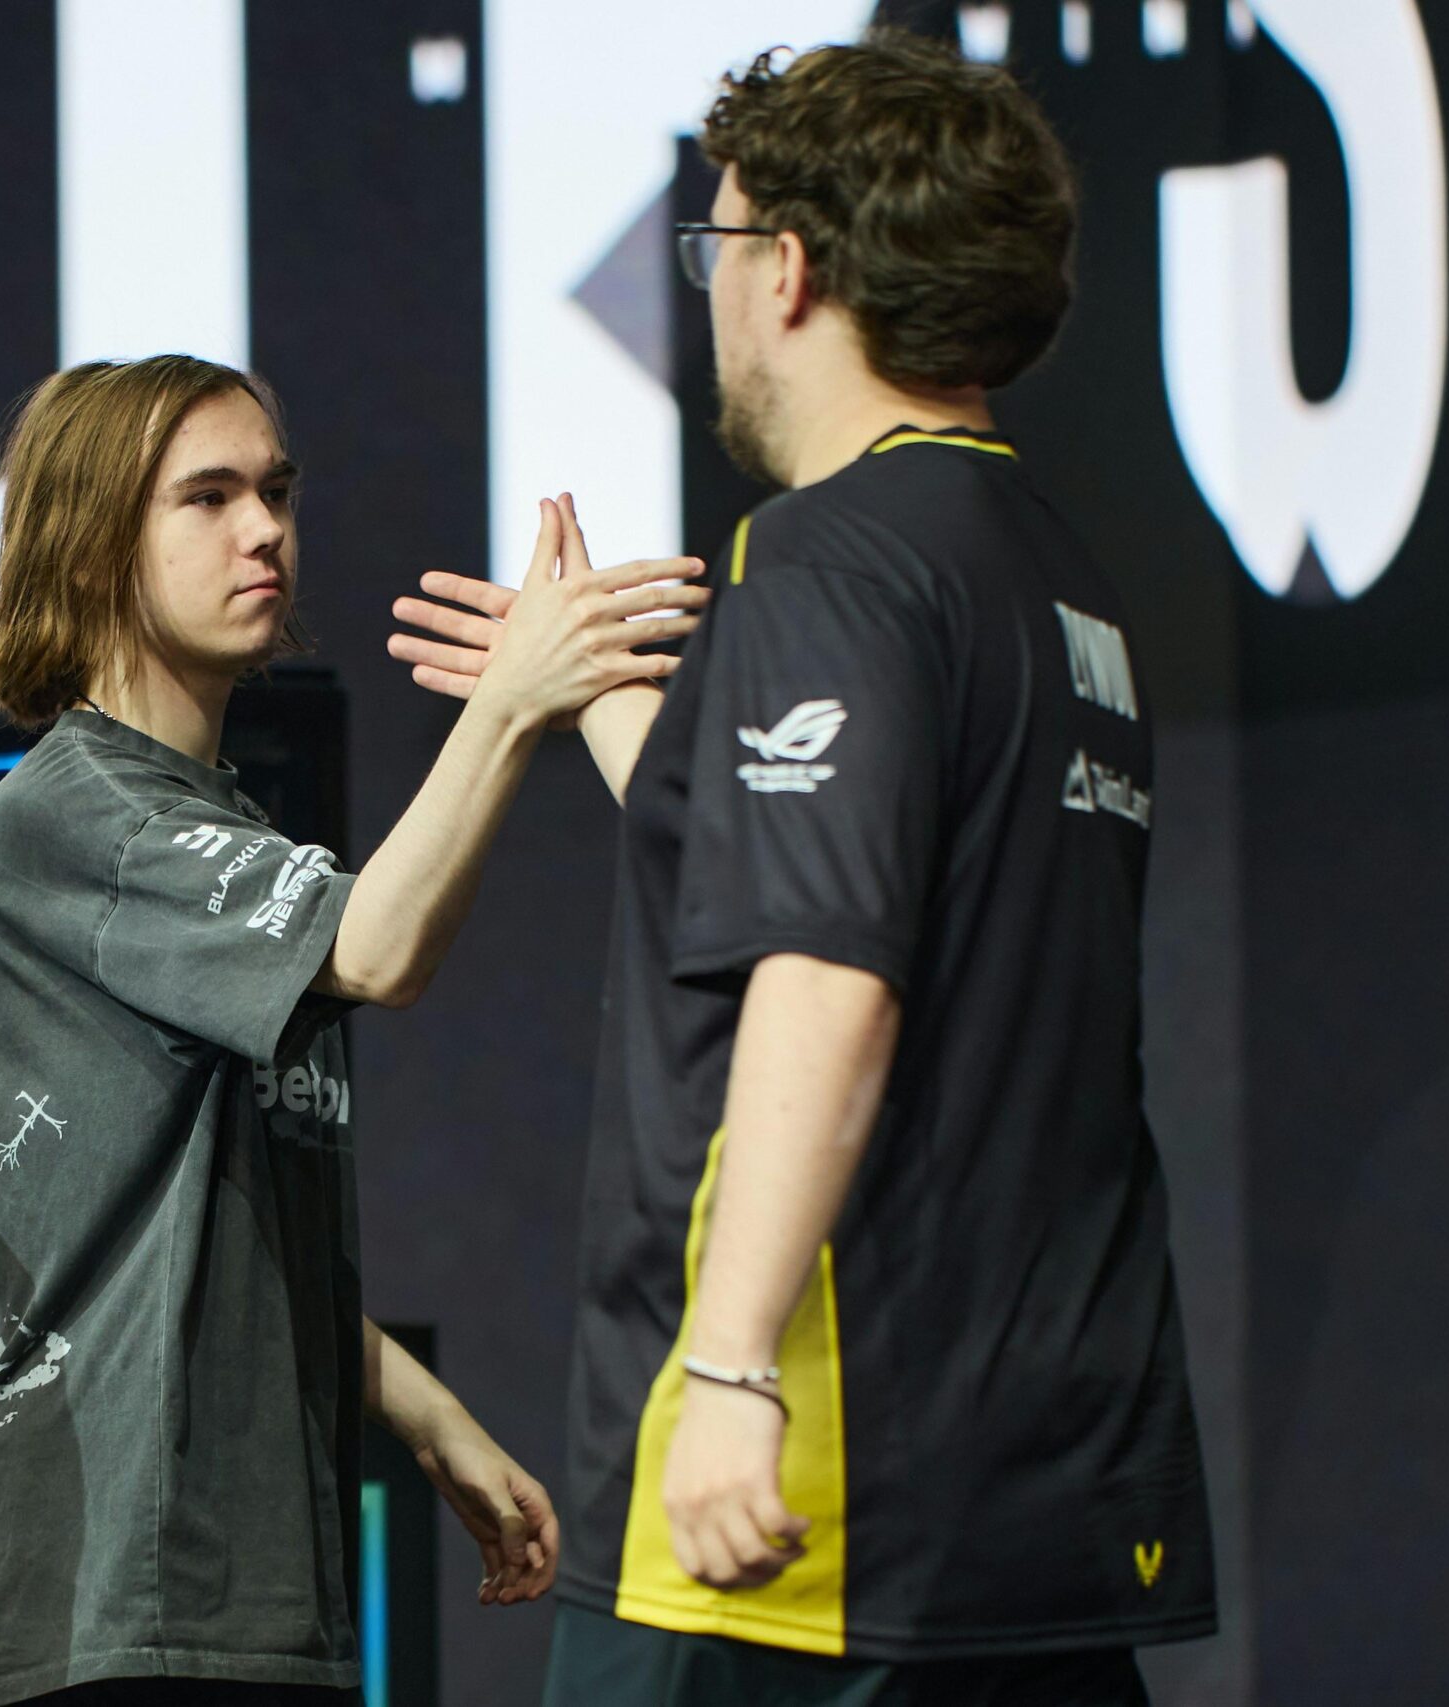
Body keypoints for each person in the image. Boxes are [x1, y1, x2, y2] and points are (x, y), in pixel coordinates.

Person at [388, 31, 1215, 1705]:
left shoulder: (830, 559)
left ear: (790, 269)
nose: (706, 295)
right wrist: (591, 697)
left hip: (810, 1520)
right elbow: (827, 859)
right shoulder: (1045, 572)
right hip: (1036, 1491)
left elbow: (832, 969)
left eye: (713, 244)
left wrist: (731, 1368)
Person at [0, 354, 708, 1705]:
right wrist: (520, 698)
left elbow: (198, 1229)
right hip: (119, 1589)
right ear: (94, 541)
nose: (265, 530)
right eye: (209, 498)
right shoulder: (72, 812)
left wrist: (424, 1412)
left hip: (240, 1577)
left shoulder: (211, 823)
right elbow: (381, 947)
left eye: (277, 491)